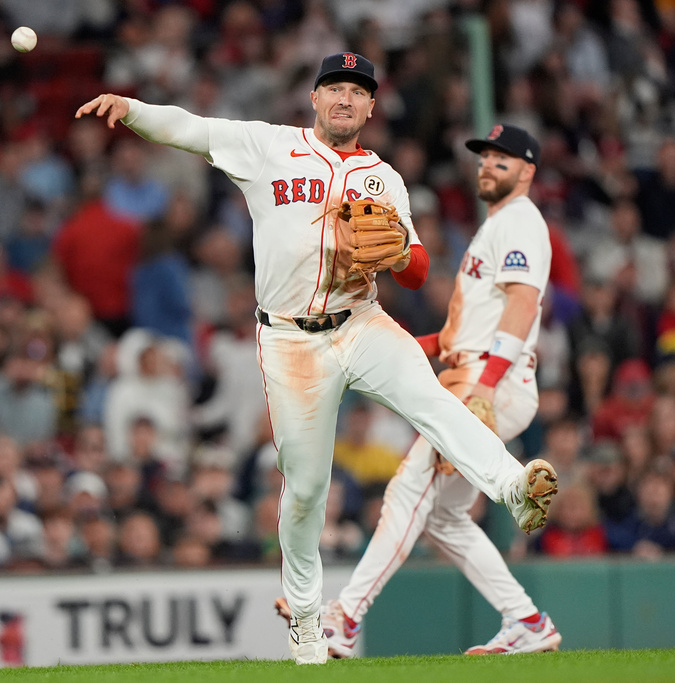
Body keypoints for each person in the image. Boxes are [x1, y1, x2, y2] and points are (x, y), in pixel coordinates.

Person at [76, 55, 558, 665]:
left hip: (362, 322)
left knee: (434, 401)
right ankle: (306, 616)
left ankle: (514, 486)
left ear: (371, 109)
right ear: (314, 97)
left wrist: (389, 256)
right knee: (305, 488)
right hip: (290, 341)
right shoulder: (267, 147)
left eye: (357, 93)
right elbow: (192, 129)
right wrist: (134, 111)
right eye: (335, 88)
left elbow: (417, 270)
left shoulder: (384, 178)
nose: (345, 99)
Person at [280, 124, 561, 658]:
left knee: (408, 491)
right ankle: (526, 621)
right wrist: (406, 345)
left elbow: (523, 306)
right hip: (473, 368)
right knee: (443, 517)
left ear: (528, 171)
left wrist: (485, 387)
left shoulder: (521, 222)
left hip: (487, 382)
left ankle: (346, 617)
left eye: (503, 159)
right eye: (484, 157)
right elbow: (466, 332)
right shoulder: (498, 225)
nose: (488, 166)